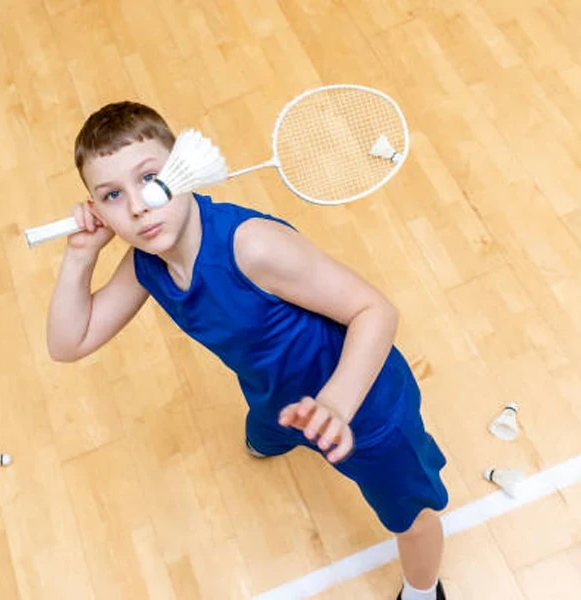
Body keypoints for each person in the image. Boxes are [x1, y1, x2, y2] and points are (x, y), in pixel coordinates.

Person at [46, 101, 448, 600]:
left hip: (361, 404)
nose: (135, 207)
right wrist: (81, 256)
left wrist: (336, 405)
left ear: (183, 168)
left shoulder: (252, 246)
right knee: (266, 434)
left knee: (410, 518)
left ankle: (423, 590)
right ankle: (281, 435)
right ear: (96, 210)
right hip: (276, 397)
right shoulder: (147, 262)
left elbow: (376, 311)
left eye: (148, 179)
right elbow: (69, 343)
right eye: (110, 195)